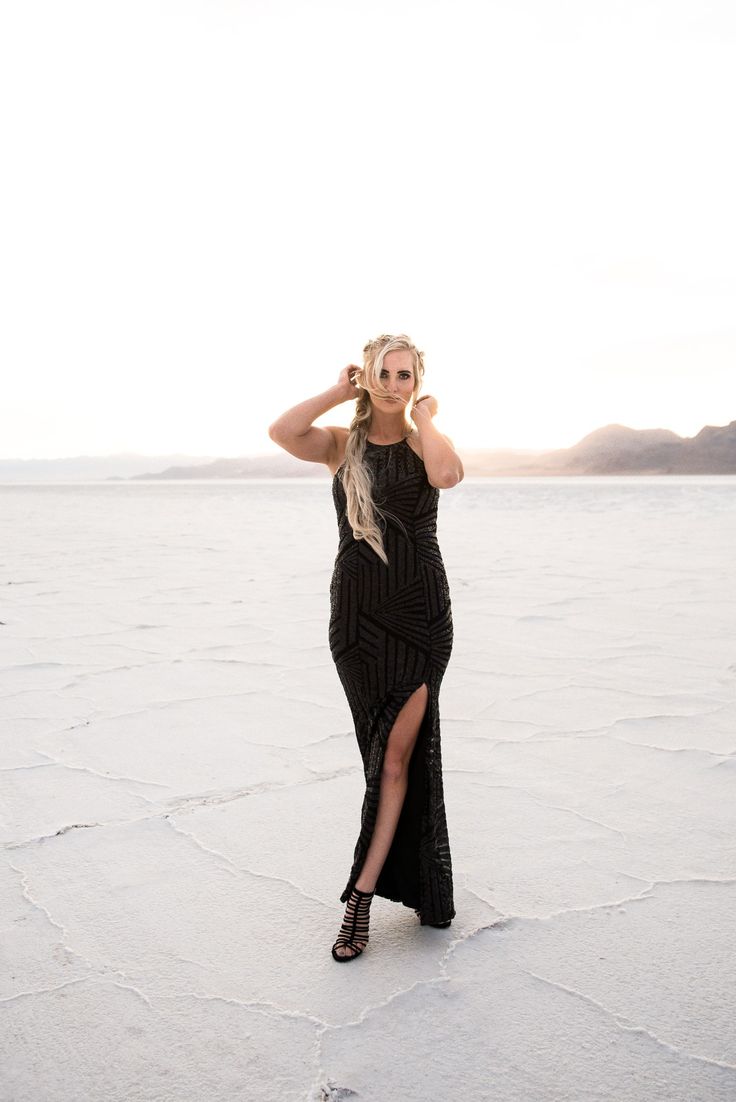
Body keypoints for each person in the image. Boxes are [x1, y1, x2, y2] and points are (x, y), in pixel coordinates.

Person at [268, 333, 463, 961]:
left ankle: (360, 897)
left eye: (405, 375)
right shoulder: (340, 446)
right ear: (368, 375)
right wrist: (337, 390)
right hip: (356, 621)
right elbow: (283, 429)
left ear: (416, 380)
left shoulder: (420, 439)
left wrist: (426, 418)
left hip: (419, 617)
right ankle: (392, 878)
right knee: (378, 753)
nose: (394, 383)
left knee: (397, 758)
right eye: (384, 372)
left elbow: (446, 475)